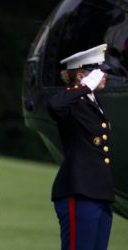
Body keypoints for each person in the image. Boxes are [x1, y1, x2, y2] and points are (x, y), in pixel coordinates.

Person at [47, 44, 114, 250]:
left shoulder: (93, 102)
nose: (104, 77)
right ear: (81, 75)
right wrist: (83, 87)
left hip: (99, 193)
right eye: (98, 72)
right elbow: (53, 105)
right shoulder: (74, 102)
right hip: (79, 190)